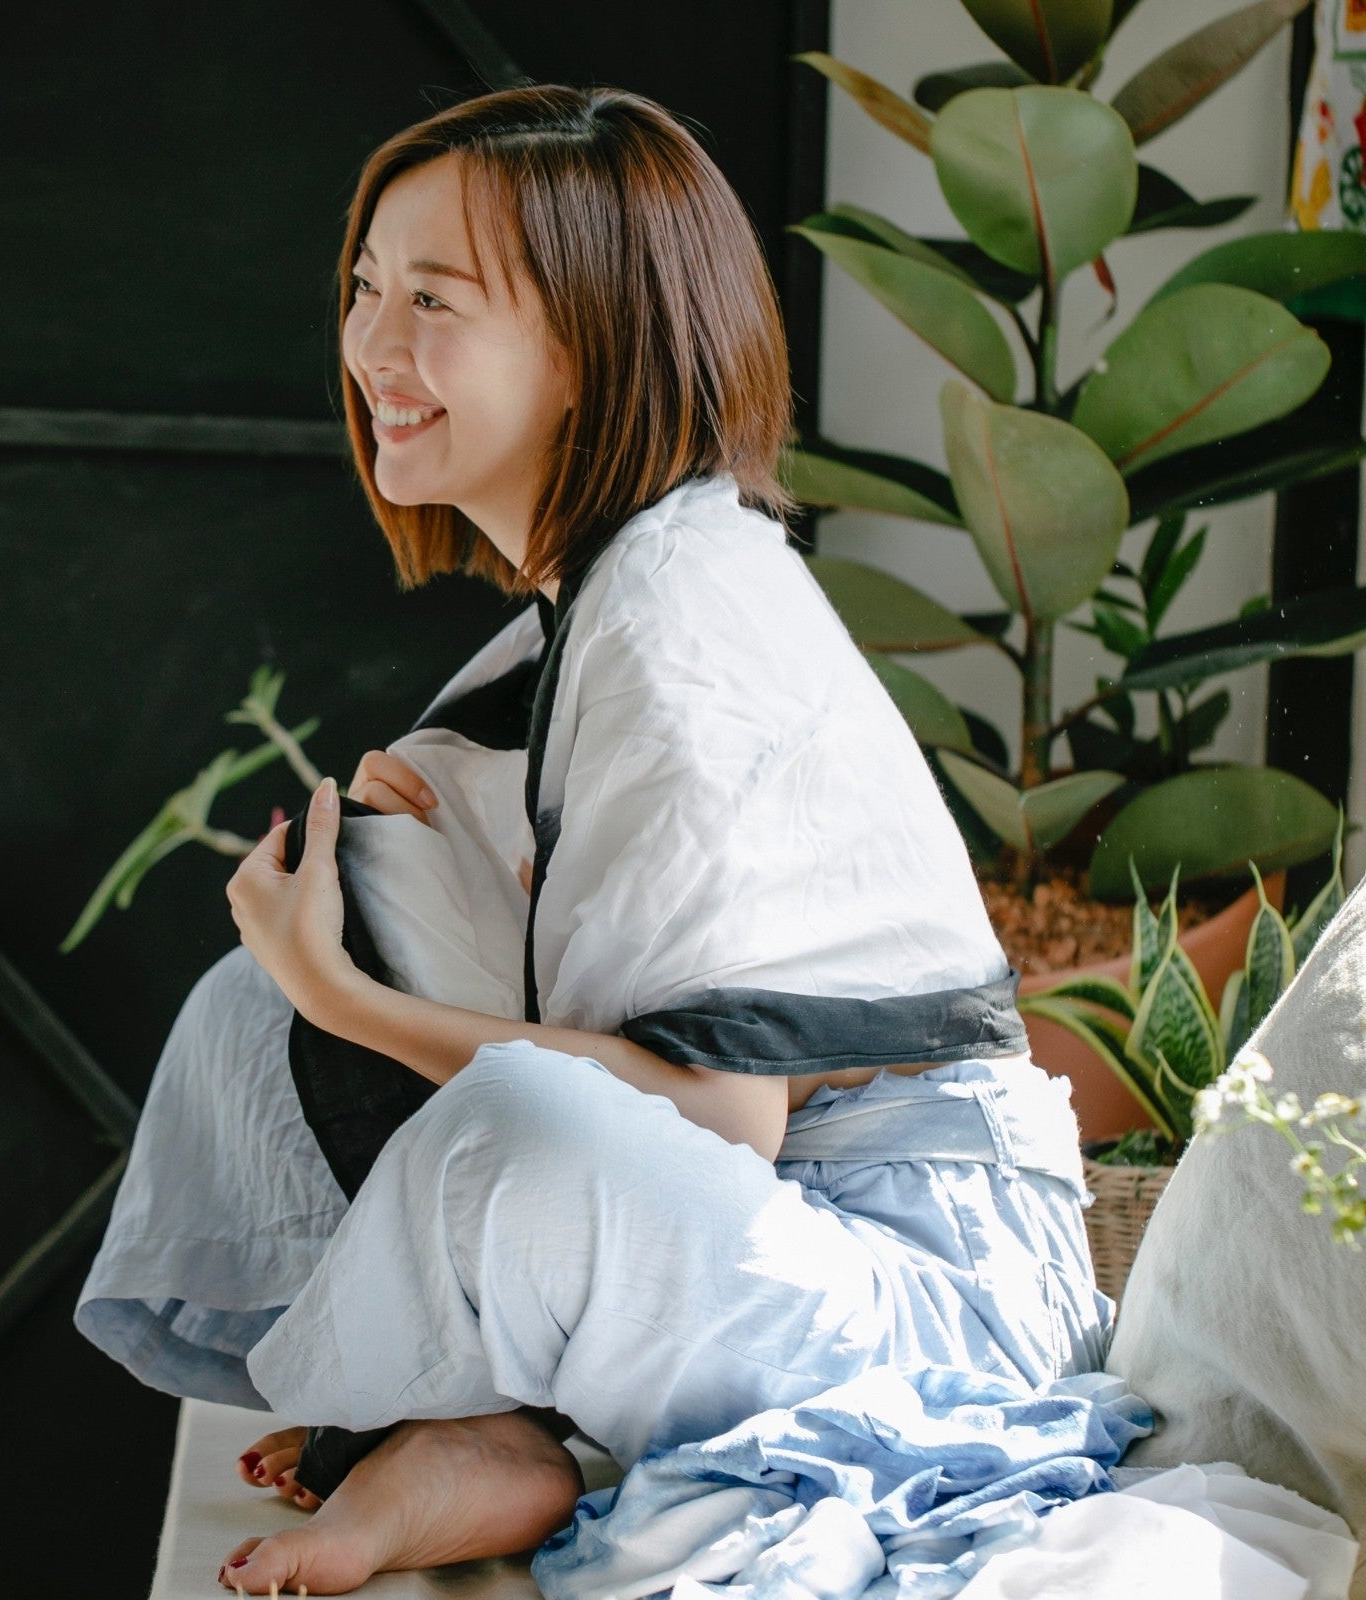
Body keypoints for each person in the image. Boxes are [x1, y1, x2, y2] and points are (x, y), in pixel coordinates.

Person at [75, 85, 1115, 1597]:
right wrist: (427, 851)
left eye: (434, 301)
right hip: (770, 1246)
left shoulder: (677, 613)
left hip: (918, 1291)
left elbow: (709, 1128)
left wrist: (350, 1001)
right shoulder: (607, 593)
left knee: (489, 1100)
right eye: (366, 289)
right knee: (312, 954)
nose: (372, 347)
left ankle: (491, 1433)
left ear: (589, 343)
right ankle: (493, 1431)